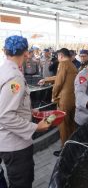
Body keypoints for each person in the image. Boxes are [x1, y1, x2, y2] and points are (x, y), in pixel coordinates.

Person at [0, 35, 51, 188]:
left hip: (6, 140)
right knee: (21, 183)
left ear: (5, 51)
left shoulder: (4, 70)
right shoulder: (14, 78)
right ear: (27, 53)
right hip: (14, 144)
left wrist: (29, 110)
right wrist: (35, 127)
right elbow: (5, 115)